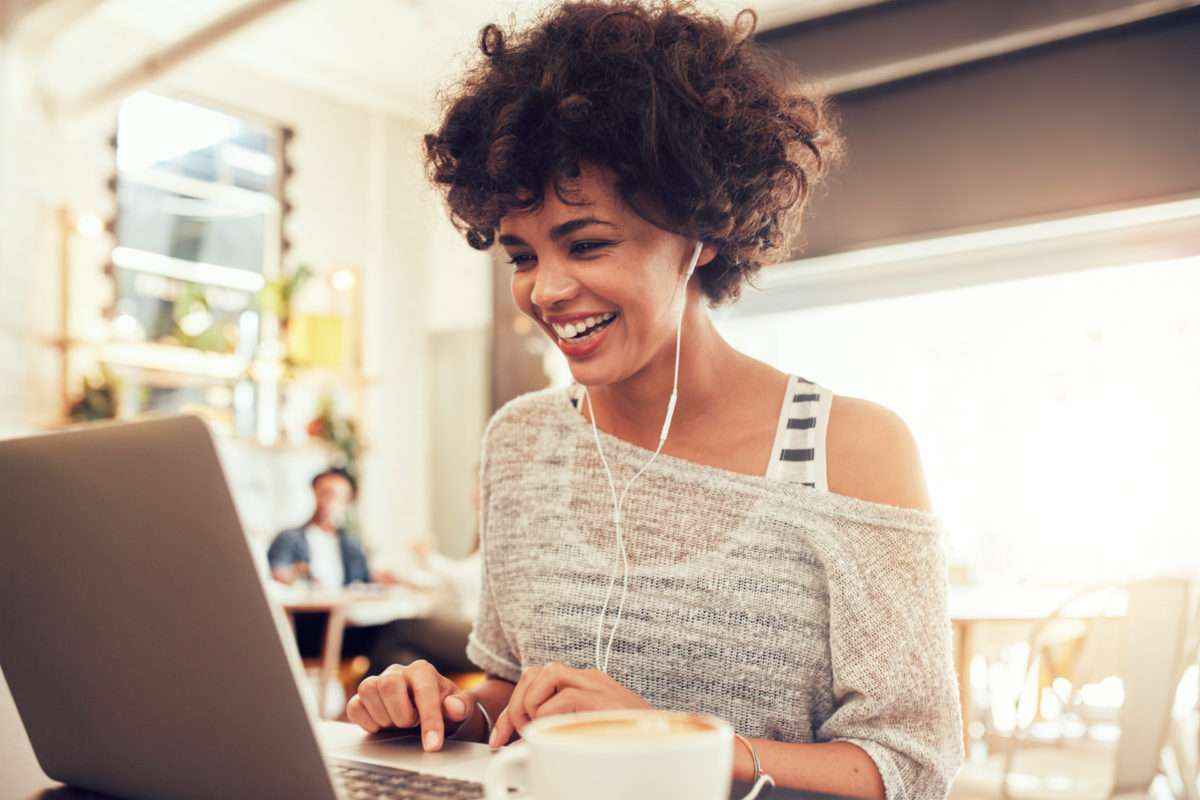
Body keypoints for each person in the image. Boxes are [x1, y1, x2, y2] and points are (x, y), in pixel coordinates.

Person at [346, 3, 963, 798]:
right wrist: (442, 712)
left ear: (703, 228)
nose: (547, 289)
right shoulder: (520, 442)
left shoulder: (851, 449)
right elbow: (512, 698)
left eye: (588, 242)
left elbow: (911, 767)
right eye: (522, 255)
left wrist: (673, 743)